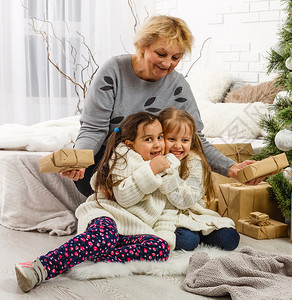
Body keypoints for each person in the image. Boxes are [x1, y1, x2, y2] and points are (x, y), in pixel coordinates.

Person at [62, 15, 261, 197]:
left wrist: (231, 167)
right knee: (91, 181)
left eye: (176, 58)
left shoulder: (177, 85)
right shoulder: (114, 70)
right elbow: (93, 128)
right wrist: (79, 159)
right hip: (109, 157)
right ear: (143, 46)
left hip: (148, 160)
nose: (167, 64)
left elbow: (195, 138)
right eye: (161, 54)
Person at [15, 112, 173, 293]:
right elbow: (124, 197)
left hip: (132, 227)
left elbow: (164, 207)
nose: (158, 144)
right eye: (148, 139)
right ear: (130, 144)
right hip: (106, 215)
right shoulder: (122, 158)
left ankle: (85, 255)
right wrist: (150, 171)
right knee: (105, 236)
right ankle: (40, 268)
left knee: (160, 248)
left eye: (160, 137)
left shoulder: (163, 166)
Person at [156, 107, 239, 251]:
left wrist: (169, 173)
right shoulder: (155, 161)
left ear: (192, 139)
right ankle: (193, 235)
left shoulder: (194, 161)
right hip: (168, 217)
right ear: (160, 137)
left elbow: (186, 200)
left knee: (229, 238)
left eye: (185, 140)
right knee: (187, 240)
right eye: (171, 139)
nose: (178, 145)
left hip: (192, 211)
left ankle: (199, 232)